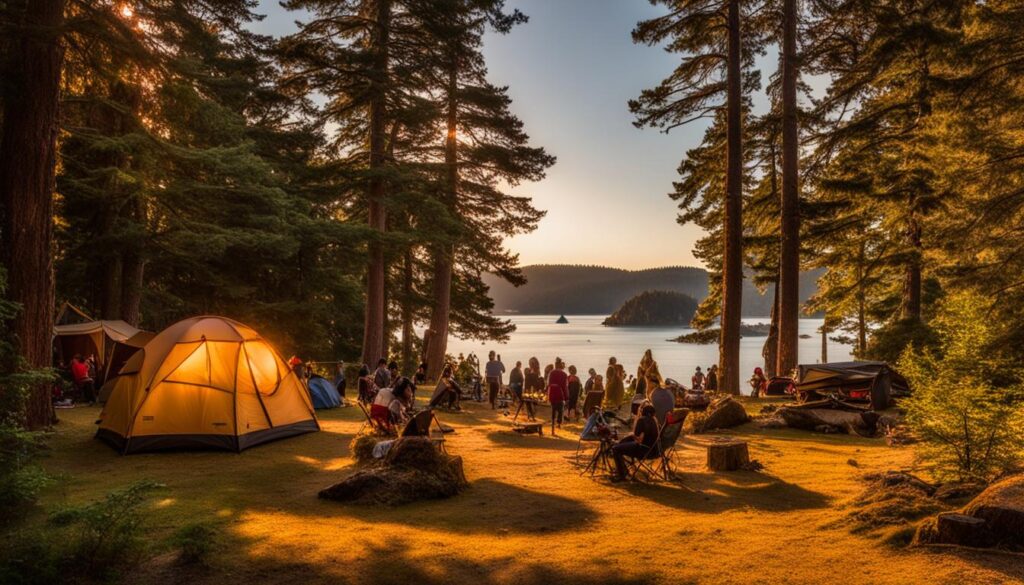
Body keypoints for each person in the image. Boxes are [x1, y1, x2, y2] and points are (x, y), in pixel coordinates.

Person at [611, 403, 660, 482]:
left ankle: (622, 474)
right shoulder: (654, 421)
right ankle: (622, 470)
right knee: (625, 442)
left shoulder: (642, 420)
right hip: (652, 450)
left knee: (615, 449)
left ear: (643, 411)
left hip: (642, 450)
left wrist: (631, 434)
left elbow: (636, 435)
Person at [547, 358, 569, 434]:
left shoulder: (551, 373)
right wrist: (566, 397)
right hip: (559, 393)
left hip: (552, 393)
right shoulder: (564, 374)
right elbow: (564, 387)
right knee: (560, 410)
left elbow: (548, 384)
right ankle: (558, 423)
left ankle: (553, 424)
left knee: (553, 409)